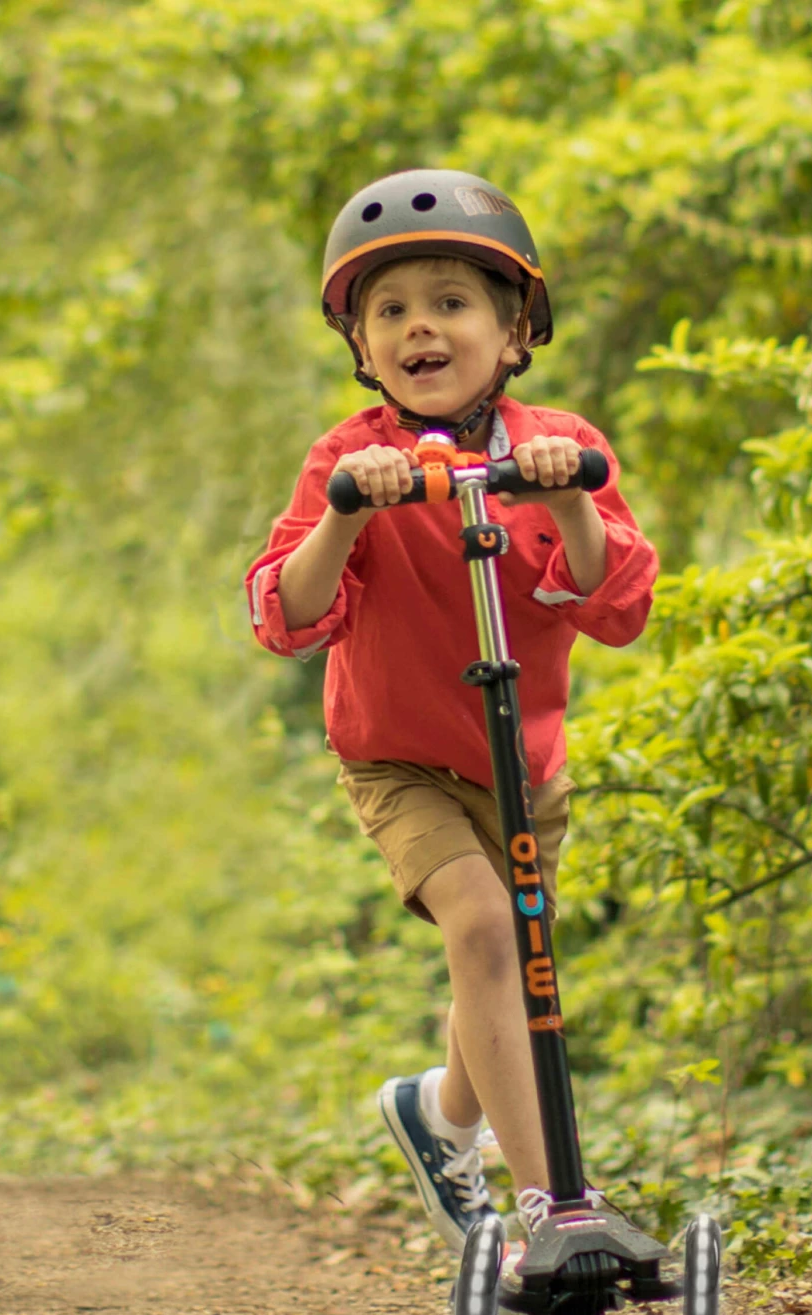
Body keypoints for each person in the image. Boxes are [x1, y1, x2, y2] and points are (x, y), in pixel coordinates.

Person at [245, 169, 658, 1255]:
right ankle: (551, 1208)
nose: (419, 325)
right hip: (399, 760)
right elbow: (284, 611)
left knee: (514, 959)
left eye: (451, 301)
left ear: (515, 331)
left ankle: (438, 1116)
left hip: (523, 763)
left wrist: (566, 492)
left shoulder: (557, 442)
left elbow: (618, 602)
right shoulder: (349, 457)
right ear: (363, 346)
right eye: (389, 311)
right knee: (484, 930)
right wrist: (347, 511)